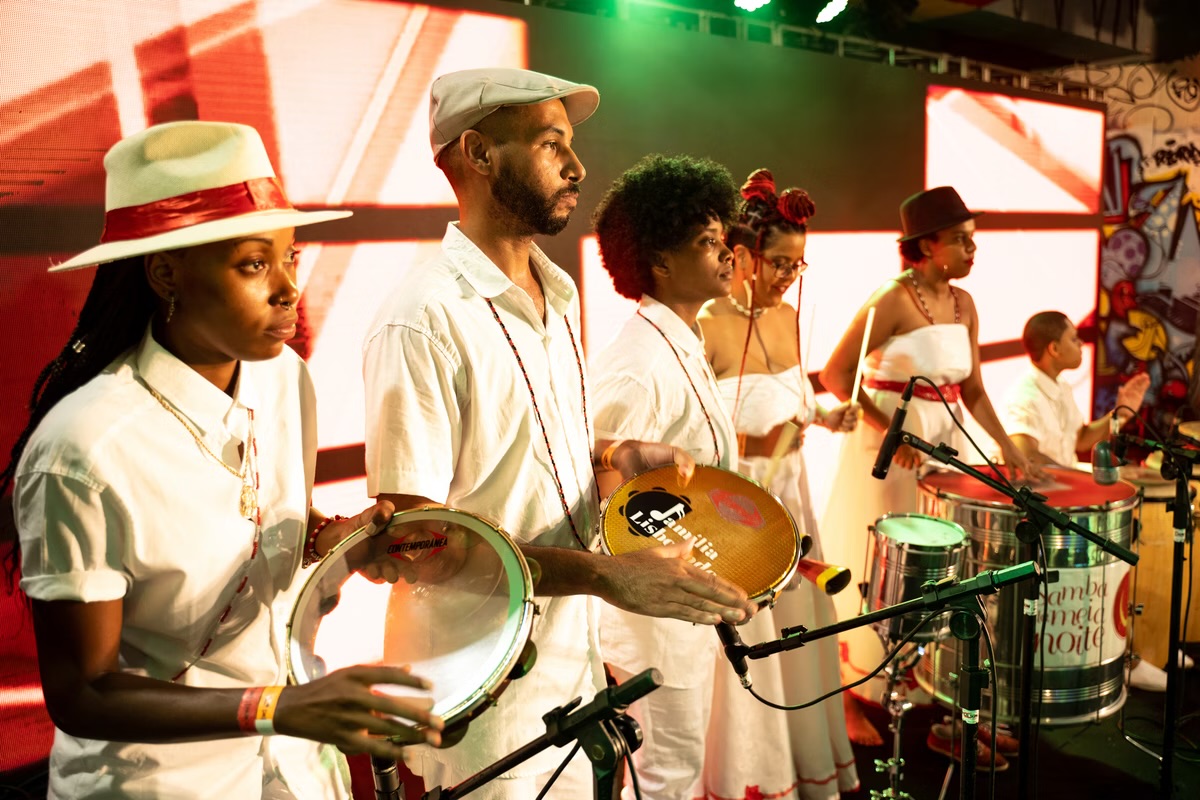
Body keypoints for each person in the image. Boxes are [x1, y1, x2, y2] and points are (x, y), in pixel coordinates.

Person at [3, 121, 442, 800]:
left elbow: (255, 517)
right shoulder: (83, 449)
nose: (289, 290)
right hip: (155, 785)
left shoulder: (283, 379)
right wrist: (275, 707)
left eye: (289, 257)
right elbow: (82, 692)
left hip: (292, 769)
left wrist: (340, 539)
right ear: (166, 271)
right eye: (253, 264)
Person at [361, 69, 756, 799]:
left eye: (571, 145)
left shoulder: (556, 294)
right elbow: (416, 542)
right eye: (550, 145)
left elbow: (525, 457)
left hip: (568, 666)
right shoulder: (421, 317)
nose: (577, 167)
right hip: (483, 684)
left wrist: (611, 457)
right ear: (478, 154)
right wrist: (608, 576)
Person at [819, 186, 1038, 758]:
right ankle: (847, 694)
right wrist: (888, 428)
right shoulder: (891, 298)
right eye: (962, 239)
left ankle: (942, 704)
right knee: (879, 570)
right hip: (891, 457)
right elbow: (837, 375)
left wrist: (1008, 446)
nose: (973, 248)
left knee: (946, 577)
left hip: (944, 455)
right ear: (928, 245)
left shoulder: (965, 304)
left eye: (972, 237)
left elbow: (975, 390)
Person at [698, 168, 860, 799]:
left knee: (799, 633)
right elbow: (689, 439)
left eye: (798, 265)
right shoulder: (704, 324)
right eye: (778, 263)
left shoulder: (790, 316)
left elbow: (791, 402)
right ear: (739, 254)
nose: (789, 277)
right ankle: (745, 774)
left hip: (793, 499)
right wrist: (753, 447)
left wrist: (826, 413)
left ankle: (800, 759)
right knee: (750, 638)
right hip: (735, 509)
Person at [588, 153, 743, 799]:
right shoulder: (637, 363)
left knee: (672, 774)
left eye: (723, 238)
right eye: (707, 242)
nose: (728, 254)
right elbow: (607, 504)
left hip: (683, 600)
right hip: (653, 612)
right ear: (660, 262)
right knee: (667, 779)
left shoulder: (680, 339)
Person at [1003, 311, 1149, 467]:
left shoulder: (1061, 385)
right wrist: (1073, 478)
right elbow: (1024, 456)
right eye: (1074, 339)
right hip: (1042, 490)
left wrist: (1120, 415)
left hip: (1059, 486)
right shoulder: (1025, 398)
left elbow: (1081, 439)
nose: (1081, 343)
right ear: (1054, 348)